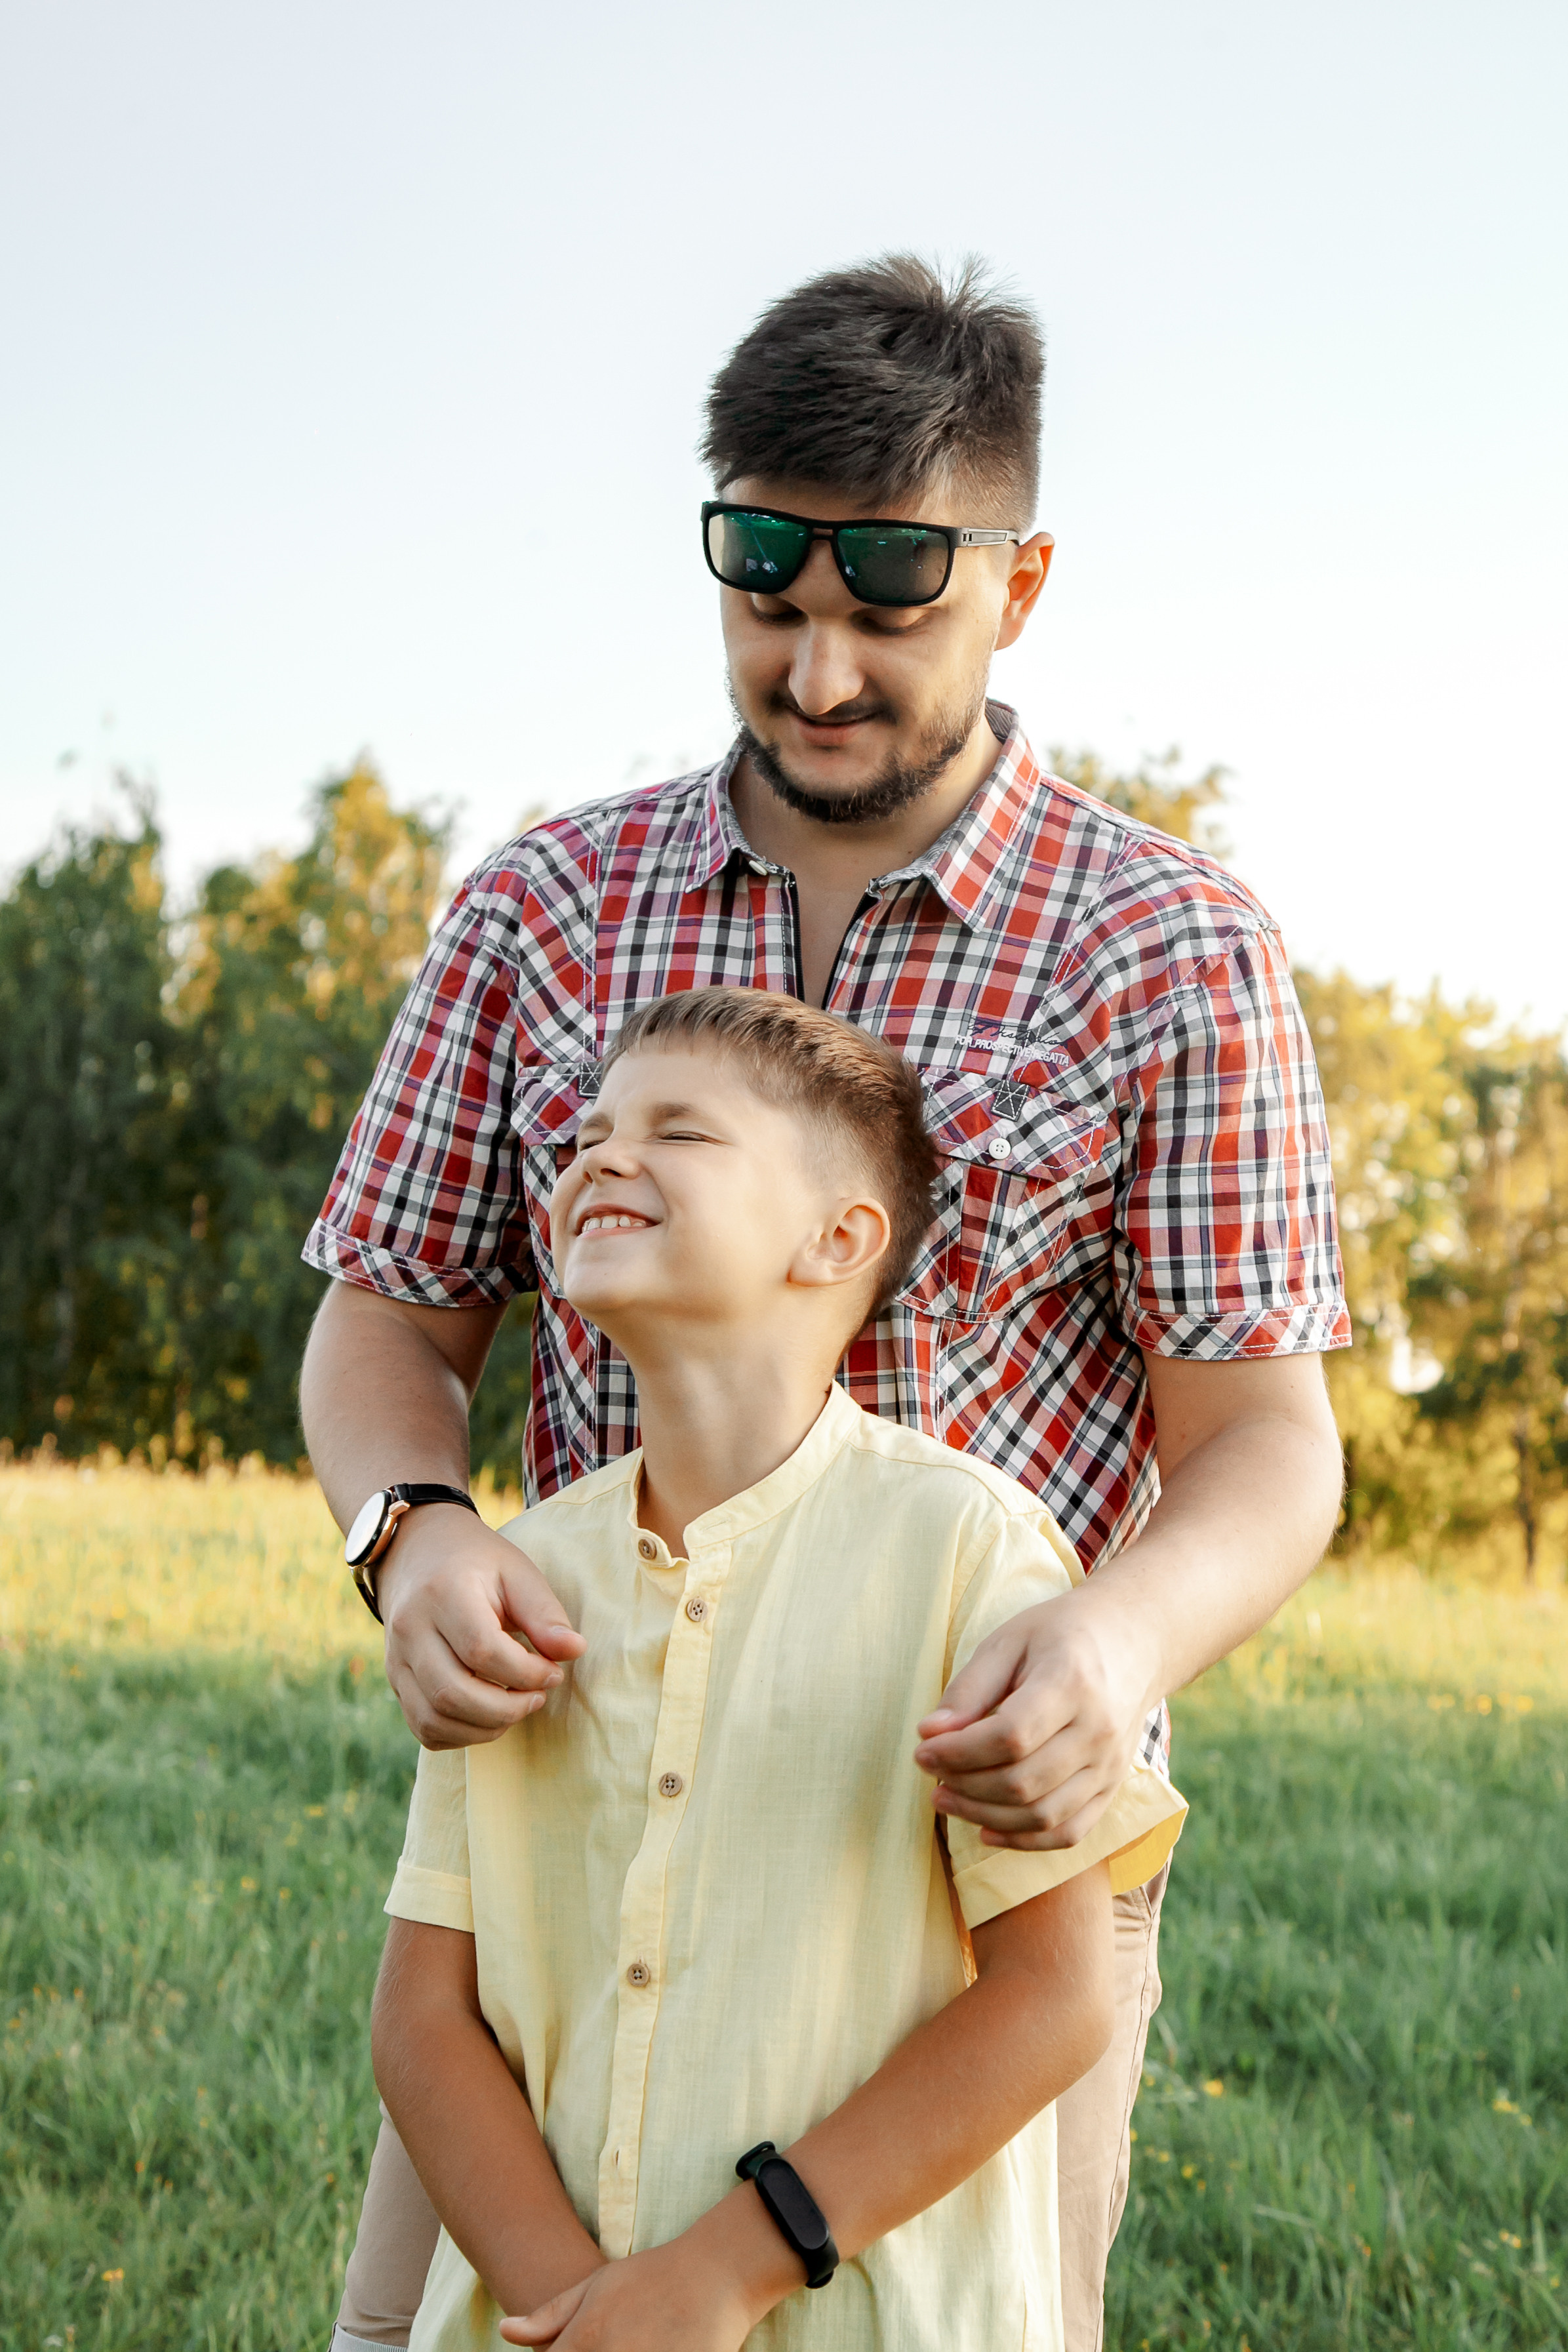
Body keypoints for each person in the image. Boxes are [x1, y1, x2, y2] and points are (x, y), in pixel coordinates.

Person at [302, 254, 1347, 2351]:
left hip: (961, 1879)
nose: (822, 666)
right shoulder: (542, 906)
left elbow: (1266, 1444)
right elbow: (386, 1328)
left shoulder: (1171, 944)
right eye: (768, 593)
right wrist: (407, 1541)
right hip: (573, 1827)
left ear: (1020, 581)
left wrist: (1112, 1639)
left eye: (893, 602)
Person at [372, 986, 1187, 2352]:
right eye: (586, 1133)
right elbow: (423, 2013)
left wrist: (727, 2268)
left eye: (677, 1130)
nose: (599, 1158)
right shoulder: (520, 1578)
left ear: (838, 1236)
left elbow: (1052, 1998)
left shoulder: (964, 1549)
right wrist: (572, 2303)